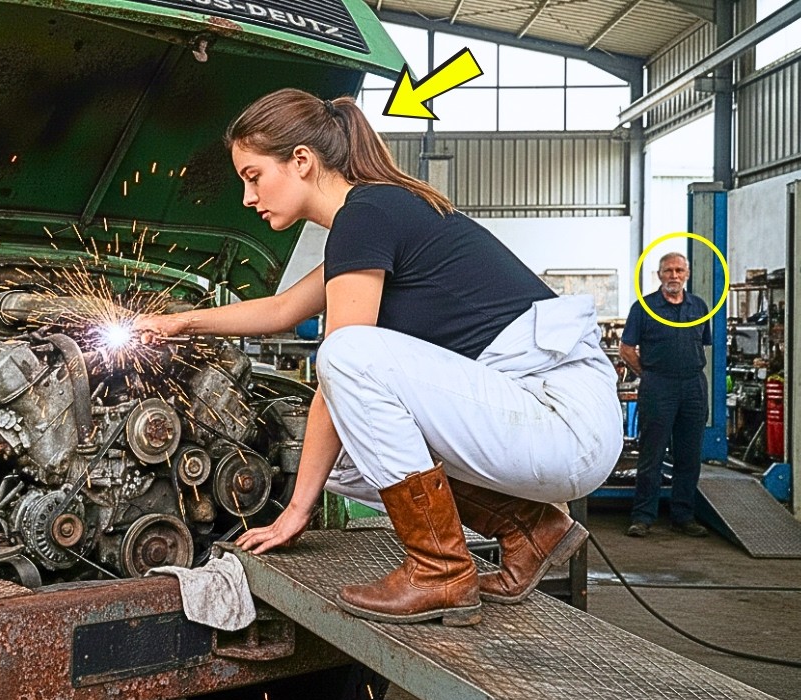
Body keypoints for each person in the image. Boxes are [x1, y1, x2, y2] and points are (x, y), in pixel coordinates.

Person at [137, 89, 623, 626]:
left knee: (345, 359)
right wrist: (178, 323)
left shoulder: (366, 214)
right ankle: (529, 529)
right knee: (336, 462)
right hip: (534, 424)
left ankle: (440, 571)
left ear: (301, 161)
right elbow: (280, 309)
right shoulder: (371, 216)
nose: (248, 198)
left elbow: (342, 366)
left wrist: (296, 511)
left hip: (561, 421)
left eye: (253, 177)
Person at [618, 252, 711, 538]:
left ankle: (683, 516)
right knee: (652, 453)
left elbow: (703, 343)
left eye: (679, 270)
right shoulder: (644, 308)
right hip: (659, 385)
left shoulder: (699, 306)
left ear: (688, 273)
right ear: (659, 275)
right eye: (668, 270)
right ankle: (643, 516)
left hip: (693, 385)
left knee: (689, 455)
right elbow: (626, 349)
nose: (674, 275)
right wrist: (648, 375)